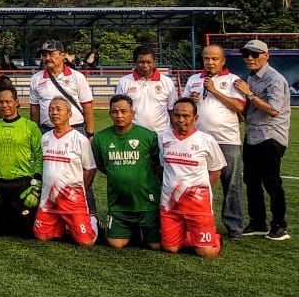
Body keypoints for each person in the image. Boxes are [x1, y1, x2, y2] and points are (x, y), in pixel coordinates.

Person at [182, 45, 246, 239]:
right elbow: (183, 106)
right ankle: (197, 221)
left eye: (214, 59)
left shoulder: (232, 80)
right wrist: (190, 99)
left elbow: (239, 106)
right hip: (199, 141)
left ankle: (234, 224)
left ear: (223, 61)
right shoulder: (194, 80)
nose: (210, 62)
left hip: (227, 140)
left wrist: (214, 90)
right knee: (197, 184)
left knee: (231, 184)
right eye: (206, 59)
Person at [235, 40, 290, 240]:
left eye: (255, 54)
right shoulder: (251, 78)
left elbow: (273, 110)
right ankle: (257, 222)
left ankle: (279, 225)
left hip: (270, 136)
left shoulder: (274, 79)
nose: (250, 58)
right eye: (246, 54)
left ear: (266, 56)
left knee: (271, 182)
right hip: (252, 136)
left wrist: (248, 94)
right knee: (251, 181)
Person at [91, 94, 161, 250]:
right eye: (115, 112)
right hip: (119, 204)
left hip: (147, 202)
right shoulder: (101, 138)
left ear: (133, 113)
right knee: (115, 244)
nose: (119, 116)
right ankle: (127, 229)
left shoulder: (148, 136)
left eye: (123, 111)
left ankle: (140, 230)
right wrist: (118, 171)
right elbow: (101, 165)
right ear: (110, 114)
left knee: (156, 246)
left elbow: (158, 164)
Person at [158, 98, 225, 259]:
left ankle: (214, 238)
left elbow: (216, 170)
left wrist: (202, 192)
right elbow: (163, 167)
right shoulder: (163, 138)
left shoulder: (206, 140)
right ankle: (190, 236)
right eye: (177, 115)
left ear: (195, 119)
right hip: (170, 205)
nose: (181, 120)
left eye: (186, 116)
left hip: (198, 206)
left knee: (206, 253)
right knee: (170, 248)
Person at [32, 99, 96, 247]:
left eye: (58, 109)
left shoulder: (80, 140)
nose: (54, 112)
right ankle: (62, 224)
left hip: (73, 201)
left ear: (69, 114)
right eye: (51, 109)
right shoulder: (45, 138)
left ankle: (93, 221)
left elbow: (90, 169)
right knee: (41, 236)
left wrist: (81, 191)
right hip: (49, 200)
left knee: (86, 242)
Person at [0, 87, 42, 238]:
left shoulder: (30, 126)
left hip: (23, 183)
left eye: (8, 101)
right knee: (0, 232)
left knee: (25, 233)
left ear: (17, 102)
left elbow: (39, 156)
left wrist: (36, 182)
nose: (4, 105)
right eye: (1, 102)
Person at [28, 40, 95, 136]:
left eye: (51, 54)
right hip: (47, 130)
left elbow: (87, 105)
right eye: (44, 55)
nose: (47, 58)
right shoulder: (36, 79)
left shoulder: (77, 77)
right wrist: (35, 132)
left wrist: (90, 133)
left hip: (75, 129)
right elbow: (34, 108)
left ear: (62, 55)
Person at [113, 45, 176, 134]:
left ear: (154, 62)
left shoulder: (167, 82)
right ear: (135, 62)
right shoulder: (124, 82)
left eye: (148, 62)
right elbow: (119, 109)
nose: (145, 65)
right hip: (134, 135)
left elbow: (172, 110)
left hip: (162, 134)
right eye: (141, 62)